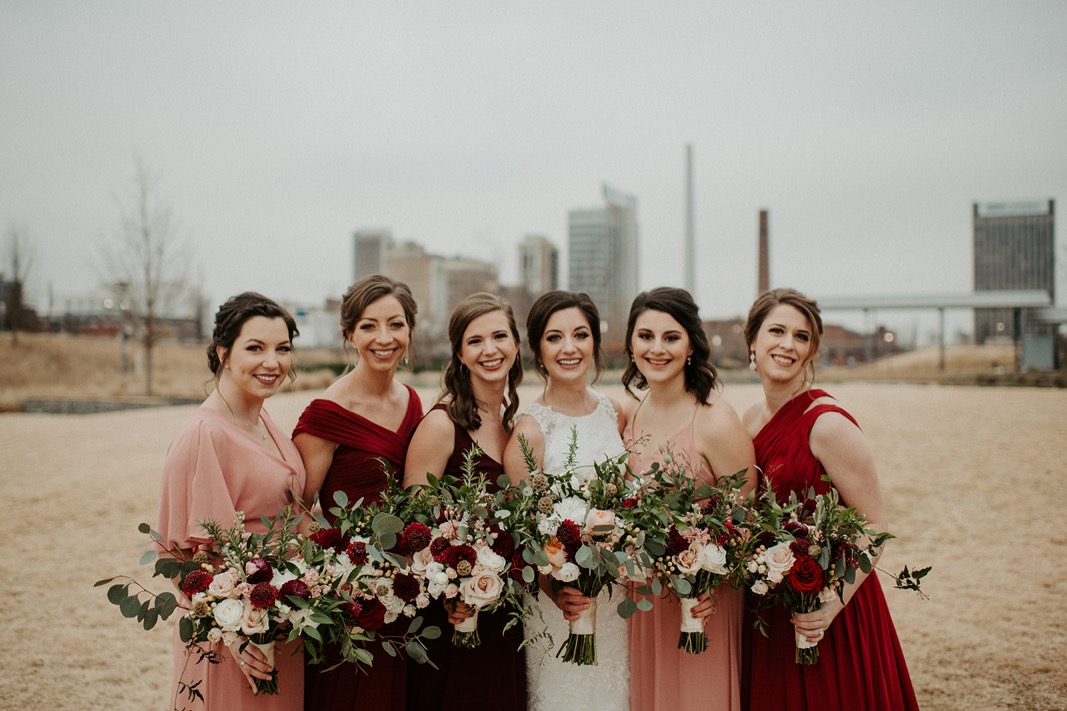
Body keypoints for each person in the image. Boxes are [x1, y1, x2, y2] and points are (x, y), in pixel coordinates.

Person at [740, 288, 918, 710]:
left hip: (831, 609)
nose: (788, 344)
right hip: (770, 609)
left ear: (811, 351)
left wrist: (830, 606)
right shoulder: (747, 420)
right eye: (777, 331)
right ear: (753, 341)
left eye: (801, 337)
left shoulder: (827, 425)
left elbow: (874, 525)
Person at [157, 291, 306, 710]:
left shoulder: (264, 421)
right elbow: (181, 558)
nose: (272, 362)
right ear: (223, 352)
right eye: (255, 348)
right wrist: (236, 636)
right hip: (231, 642)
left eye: (283, 349)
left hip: (277, 624)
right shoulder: (204, 434)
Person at [292, 275, 424, 711]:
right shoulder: (328, 412)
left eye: (396, 324)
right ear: (349, 335)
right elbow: (297, 507)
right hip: (350, 598)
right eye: (369, 326)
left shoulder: (413, 402)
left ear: (410, 330)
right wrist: (343, 576)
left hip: (405, 592)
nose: (384, 338)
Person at [621, 287, 756, 711]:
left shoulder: (715, 420)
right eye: (645, 336)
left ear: (692, 346)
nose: (656, 349)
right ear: (630, 343)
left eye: (670, 337)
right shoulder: (632, 412)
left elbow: (745, 516)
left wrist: (709, 580)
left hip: (702, 599)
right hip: (643, 594)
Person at [502, 290, 631, 711]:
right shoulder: (531, 430)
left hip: (615, 599)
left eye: (580, 334)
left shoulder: (616, 412)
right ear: (538, 348)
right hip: (560, 602)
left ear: (595, 341)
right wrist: (557, 589)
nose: (570, 348)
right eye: (555, 338)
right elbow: (525, 534)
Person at [404, 292, 528, 711]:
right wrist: (452, 589)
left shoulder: (514, 421)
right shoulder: (442, 424)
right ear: (459, 353)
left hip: (504, 610)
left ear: (515, 344)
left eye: (499, 336)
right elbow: (414, 529)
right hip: (453, 613)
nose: (490, 350)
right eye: (475, 341)